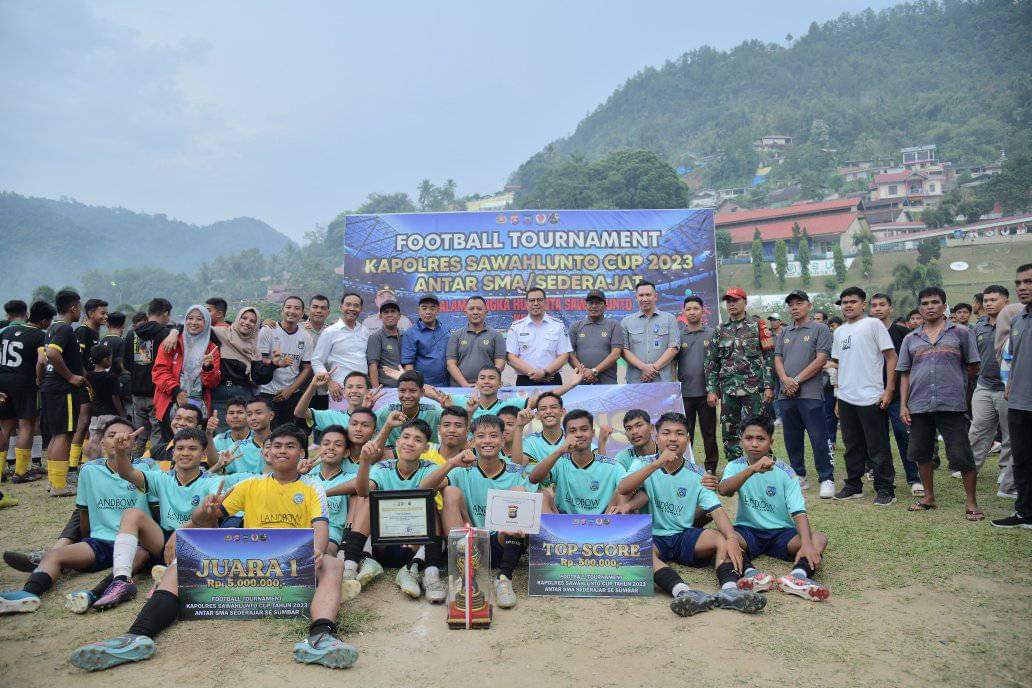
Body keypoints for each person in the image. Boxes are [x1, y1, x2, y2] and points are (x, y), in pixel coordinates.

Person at [69, 424, 360, 671]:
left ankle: (321, 637)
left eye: (291, 446)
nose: (283, 450)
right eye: (277, 445)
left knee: (332, 563)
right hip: (249, 564)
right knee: (179, 565)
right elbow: (204, 519)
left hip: (291, 565)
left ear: (301, 453)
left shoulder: (312, 487)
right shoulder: (250, 485)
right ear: (267, 452)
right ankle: (135, 637)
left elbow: (320, 526)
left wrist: (319, 550)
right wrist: (205, 511)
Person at [616, 412, 765, 617]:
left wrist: (731, 538)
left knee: (720, 539)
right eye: (666, 433)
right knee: (639, 551)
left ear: (688, 439)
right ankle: (683, 592)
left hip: (683, 534)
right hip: (654, 536)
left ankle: (729, 591)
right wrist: (657, 464)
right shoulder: (642, 463)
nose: (672, 439)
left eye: (680, 434)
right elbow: (624, 488)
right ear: (656, 436)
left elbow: (717, 510)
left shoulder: (697, 474)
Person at [0, 417, 149, 614]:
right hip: (100, 542)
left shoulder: (147, 468)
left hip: (134, 543)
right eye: (111, 435)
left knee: (139, 556)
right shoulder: (89, 470)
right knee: (54, 556)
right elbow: (83, 512)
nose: (118, 440)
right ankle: (29, 593)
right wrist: (86, 541)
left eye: (125, 435)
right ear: (102, 442)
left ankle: (94, 594)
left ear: (135, 442)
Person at [420, 414, 537, 609]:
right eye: (481, 436)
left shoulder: (516, 472)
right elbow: (424, 488)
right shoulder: (462, 470)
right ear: (472, 440)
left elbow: (530, 513)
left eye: (493, 436)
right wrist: (450, 464)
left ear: (502, 439)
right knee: (449, 492)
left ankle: (504, 578)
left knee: (519, 494)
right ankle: (462, 575)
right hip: (471, 543)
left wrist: (522, 523)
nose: (487, 441)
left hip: (502, 542)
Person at [713, 416, 830, 601]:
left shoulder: (785, 471)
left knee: (818, 539)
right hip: (747, 531)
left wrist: (806, 544)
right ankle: (752, 575)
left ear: (771, 441)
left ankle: (798, 577)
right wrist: (751, 470)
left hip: (781, 533)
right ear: (741, 439)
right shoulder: (735, 466)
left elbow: (798, 511)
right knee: (723, 538)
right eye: (748, 438)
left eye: (761, 439)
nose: (754, 444)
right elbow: (724, 490)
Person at [338, 418, 447, 602]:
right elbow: (363, 490)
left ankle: (430, 573)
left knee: (432, 504)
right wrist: (365, 461)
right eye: (406, 437)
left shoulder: (431, 468)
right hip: (383, 543)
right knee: (366, 498)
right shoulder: (382, 467)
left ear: (426, 448)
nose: (410, 443)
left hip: (417, 545)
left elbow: (430, 489)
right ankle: (349, 568)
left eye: (418, 440)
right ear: (397, 442)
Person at [899, 287, 982, 519]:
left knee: (961, 453)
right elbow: (904, 373)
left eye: (935, 302)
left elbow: (972, 366)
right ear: (919, 308)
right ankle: (928, 497)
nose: (930, 307)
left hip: (952, 404)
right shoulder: (910, 339)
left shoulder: (962, 333)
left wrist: (961, 393)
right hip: (919, 404)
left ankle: (972, 502)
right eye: (924, 303)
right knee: (921, 452)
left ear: (944, 305)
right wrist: (904, 405)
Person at [831, 287, 897, 505]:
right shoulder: (839, 331)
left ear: (863, 304)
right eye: (844, 302)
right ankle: (853, 485)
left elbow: (891, 357)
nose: (848, 305)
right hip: (847, 397)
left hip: (871, 396)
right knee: (851, 445)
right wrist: (839, 396)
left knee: (877, 446)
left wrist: (888, 390)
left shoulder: (873, 324)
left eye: (853, 301)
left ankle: (885, 488)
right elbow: (839, 365)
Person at [774, 290, 834, 498]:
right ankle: (798, 474)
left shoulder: (820, 328)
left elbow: (820, 360)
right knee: (792, 437)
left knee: (818, 437)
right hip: (786, 394)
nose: (794, 307)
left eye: (799, 303)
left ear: (809, 305)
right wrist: (785, 380)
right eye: (791, 304)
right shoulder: (784, 332)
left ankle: (826, 478)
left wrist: (796, 380)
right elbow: (778, 358)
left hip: (810, 393)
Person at [705, 287, 774, 463]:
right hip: (728, 391)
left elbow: (768, 358)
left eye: (735, 300)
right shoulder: (720, 330)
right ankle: (734, 467)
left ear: (745, 302)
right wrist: (712, 390)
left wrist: (768, 386)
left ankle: (763, 464)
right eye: (728, 301)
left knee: (758, 429)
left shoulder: (758, 326)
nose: (732, 304)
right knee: (729, 431)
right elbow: (711, 363)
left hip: (753, 389)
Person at [868, 293, 923, 496]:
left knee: (903, 434)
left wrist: (903, 394)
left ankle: (914, 478)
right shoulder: (865, 331)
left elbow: (910, 365)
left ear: (890, 308)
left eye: (882, 305)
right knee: (876, 438)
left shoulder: (903, 332)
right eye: (874, 306)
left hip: (898, 394)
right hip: (872, 393)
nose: (878, 309)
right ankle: (881, 475)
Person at [992, 263, 1032, 528]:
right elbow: (1013, 358)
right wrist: (1009, 384)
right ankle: (1025, 513)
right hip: (1019, 401)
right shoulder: (1018, 320)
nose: (1022, 287)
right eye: (1018, 283)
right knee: (1023, 460)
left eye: (1028, 282)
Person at [530, 409, 628, 514]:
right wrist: (560, 450)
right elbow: (534, 479)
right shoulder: (559, 461)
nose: (579, 434)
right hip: (564, 523)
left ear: (593, 433)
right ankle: (553, 530)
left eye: (584, 429)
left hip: (602, 523)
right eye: (573, 431)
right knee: (542, 495)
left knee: (621, 492)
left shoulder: (612, 466)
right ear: (565, 436)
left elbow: (629, 490)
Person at [0, 300, 54, 482]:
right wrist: (39, 378)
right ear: (45, 321)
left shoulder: (5, 331)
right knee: (26, 426)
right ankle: (21, 472)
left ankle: (1, 472)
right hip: (24, 382)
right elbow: (42, 360)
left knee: (5, 427)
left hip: (3, 380)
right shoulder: (39, 335)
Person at [40, 289, 87, 496]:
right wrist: (70, 377)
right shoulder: (66, 329)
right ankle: (60, 486)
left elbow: (43, 359)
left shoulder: (51, 328)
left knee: (56, 434)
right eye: (80, 308)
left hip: (51, 387)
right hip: (63, 388)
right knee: (65, 434)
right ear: (73, 308)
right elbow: (51, 354)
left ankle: (54, 480)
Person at [969, 285, 1014, 499]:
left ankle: (1006, 474)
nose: (988, 303)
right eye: (986, 300)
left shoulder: (1016, 324)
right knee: (978, 430)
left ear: (1006, 302)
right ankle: (970, 469)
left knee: (1010, 434)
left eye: (993, 299)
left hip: (1009, 388)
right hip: (984, 386)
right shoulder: (979, 327)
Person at [151, 305, 221, 439]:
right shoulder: (172, 342)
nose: (193, 322)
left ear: (206, 323)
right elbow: (159, 371)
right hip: (170, 402)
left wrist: (207, 368)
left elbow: (213, 383)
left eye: (199, 319)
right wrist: (176, 391)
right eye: (190, 318)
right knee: (170, 444)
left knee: (194, 443)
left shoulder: (211, 349)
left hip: (198, 408)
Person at [124, 298, 173, 457]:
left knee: (139, 434)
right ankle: (155, 467)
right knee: (157, 433)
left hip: (137, 393)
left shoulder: (132, 334)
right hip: (157, 393)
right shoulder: (165, 334)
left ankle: (133, 466)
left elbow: (126, 364)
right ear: (165, 313)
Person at [258, 297, 313, 429]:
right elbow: (260, 362)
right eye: (288, 307)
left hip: (291, 395)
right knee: (267, 436)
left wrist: (290, 390)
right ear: (282, 310)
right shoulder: (267, 330)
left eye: (297, 308)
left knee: (289, 436)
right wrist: (275, 363)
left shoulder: (306, 337)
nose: (292, 311)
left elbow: (306, 368)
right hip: (266, 393)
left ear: (302, 313)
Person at [678, 296, 717, 473]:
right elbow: (672, 364)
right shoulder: (679, 336)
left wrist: (713, 390)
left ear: (703, 311)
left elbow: (717, 364)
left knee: (708, 432)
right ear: (684, 312)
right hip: (684, 393)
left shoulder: (712, 334)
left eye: (696, 308)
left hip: (706, 393)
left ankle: (710, 467)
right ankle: (686, 465)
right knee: (686, 433)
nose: (692, 312)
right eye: (688, 309)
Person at [506, 288, 572, 386]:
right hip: (525, 380)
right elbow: (511, 357)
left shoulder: (558, 325)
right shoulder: (516, 327)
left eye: (539, 300)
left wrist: (545, 372)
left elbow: (564, 355)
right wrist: (534, 373)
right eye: (532, 300)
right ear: (526, 304)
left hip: (552, 379)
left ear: (545, 303)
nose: (536, 303)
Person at [312, 292, 369, 401]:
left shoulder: (364, 331)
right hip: (339, 391)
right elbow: (317, 360)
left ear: (361, 309)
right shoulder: (330, 332)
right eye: (348, 304)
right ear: (341, 307)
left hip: (362, 391)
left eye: (356, 306)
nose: (352, 308)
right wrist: (329, 383)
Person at [621, 281, 681, 383]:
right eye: (641, 295)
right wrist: (644, 367)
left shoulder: (669, 319)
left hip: (662, 381)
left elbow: (673, 348)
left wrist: (652, 369)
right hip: (636, 381)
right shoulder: (626, 322)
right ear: (636, 297)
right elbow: (624, 351)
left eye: (648, 295)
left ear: (655, 296)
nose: (644, 299)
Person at [446, 295, 506, 387]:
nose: (475, 312)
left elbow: (500, 363)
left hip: (487, 388)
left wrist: (486, 382)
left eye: (479, 309)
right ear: (465, 312)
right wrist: (465, 385)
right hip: (459, 388)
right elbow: (451, 364)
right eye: (471, 309)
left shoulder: (496, 335)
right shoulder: (456, 336)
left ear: (486, 311)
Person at [295, 370, 379, 435]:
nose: (354, 391)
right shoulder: (332, 416)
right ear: (344, 392)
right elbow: (300, 413)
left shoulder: (377, 418)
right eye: (349, 387)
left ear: (368, 392)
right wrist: (313, 386)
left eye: (359, 387)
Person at [374, 370, 443, 447]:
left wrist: (447, 406)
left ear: (422, 392)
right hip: (393, 456)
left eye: (413, 391)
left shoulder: (434, 412)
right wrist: (366, 407)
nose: (407, 396)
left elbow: (454, 419)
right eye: (402, 391)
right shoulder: (386, 411)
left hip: (427, 455)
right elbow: (365, 422)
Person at [568, 290, 624, 385]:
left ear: (605, 307)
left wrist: (594, 371)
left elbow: (616, 354)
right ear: (585, 306)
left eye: (598, 303)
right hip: (582, 381)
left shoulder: (614, 325)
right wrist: (584, 373)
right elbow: (569, 354)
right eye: (591, 303)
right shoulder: (575, 326)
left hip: (608, 383)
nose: (594, 306)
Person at [84, 344, 125, 459]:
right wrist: (121, 413)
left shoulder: (88, 376)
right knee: (110, 443)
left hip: (95, 416)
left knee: (94, 443)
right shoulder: (111, 377)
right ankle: (109, 465)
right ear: (106, 360)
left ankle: (94, 465)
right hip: (110, 414)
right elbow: (115, 397)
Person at [401, 293, 450, 387]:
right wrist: (413, 386)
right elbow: (408, 364)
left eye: (432, 308)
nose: (428, 311)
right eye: (424, 308)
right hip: (423, 386)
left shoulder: (445, 330)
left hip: (446, 385)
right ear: (418, 310)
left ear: (438, 310)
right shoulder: (411, 333)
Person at [366, 300, 403, 388]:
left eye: (393, 311)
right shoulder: (376, 337)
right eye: (386, 312)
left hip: (406, 388)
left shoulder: (405, 335)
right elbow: (372, 365)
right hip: (386, 390)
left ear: (399, 316)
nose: (389, 315)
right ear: (380, 316)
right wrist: (376, 390)